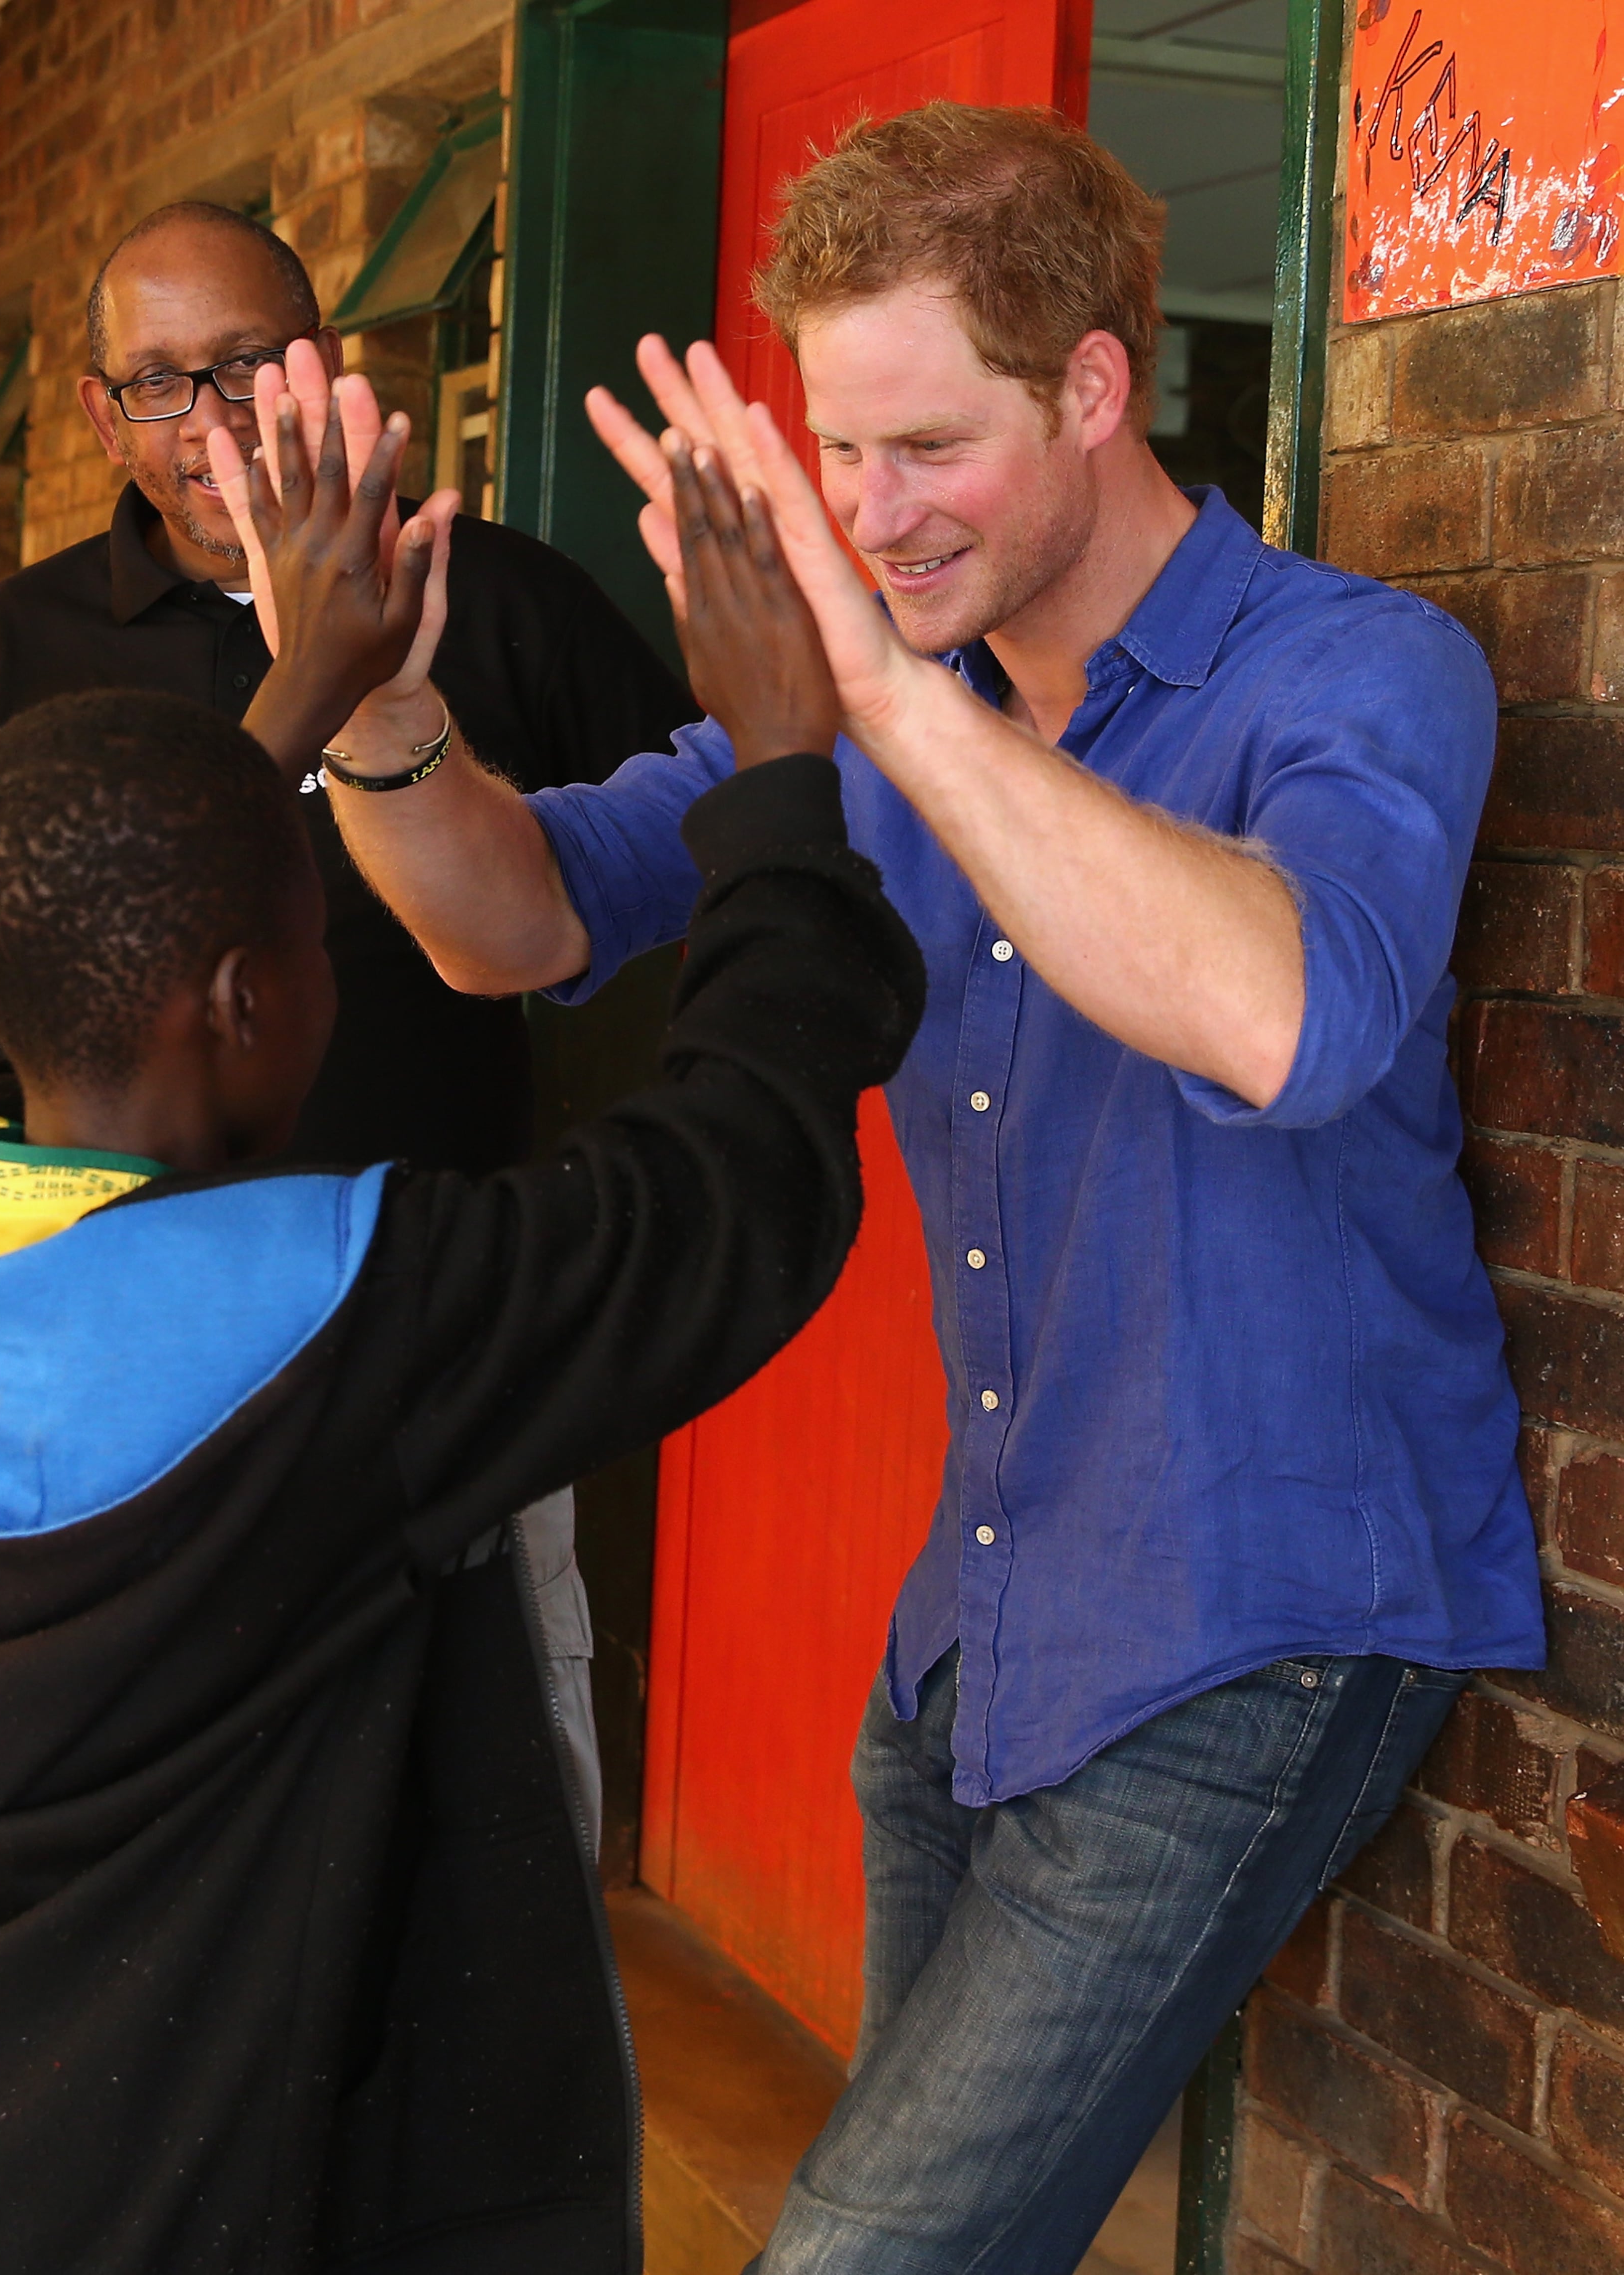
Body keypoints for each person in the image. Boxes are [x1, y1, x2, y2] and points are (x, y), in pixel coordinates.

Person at [305, 103, 1548, 2271]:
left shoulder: (1355, 669)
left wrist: (875, 695)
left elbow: (1291, 1015)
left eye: (927, 449)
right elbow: (509, 924)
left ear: (1090, 386)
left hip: (1261, 1609)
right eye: (838, 457)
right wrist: (382, 714)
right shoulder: (909, 696)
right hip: (982, 1626)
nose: (870, 517)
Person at [0, 398, 924, 2275]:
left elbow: (104, 935)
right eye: (324, 937)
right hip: (217, 2182)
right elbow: (729, 1197)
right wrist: (782, 777)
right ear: (243, 1000)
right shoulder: (349, 1323)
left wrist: (309, 691)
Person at [0, 197, 694, 1842]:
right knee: (188, 1844)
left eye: (246, 367)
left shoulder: (496, 606)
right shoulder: (12, 652)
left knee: (494, 1818)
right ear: (99, 412)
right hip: (116, 1382)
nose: (211, 427)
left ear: (324, 362)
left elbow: (707, 859)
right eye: (158, 385)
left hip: (439, 1339)